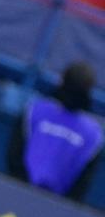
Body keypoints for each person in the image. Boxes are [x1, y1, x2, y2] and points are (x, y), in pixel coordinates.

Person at [7, 62, 104, 202]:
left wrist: (20, 186)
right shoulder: (93, 135)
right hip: (54, 208)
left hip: (15, 195)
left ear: (61, 81)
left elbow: (14, 154)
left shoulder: (35, 111)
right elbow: (82, 184)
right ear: (89, 91)